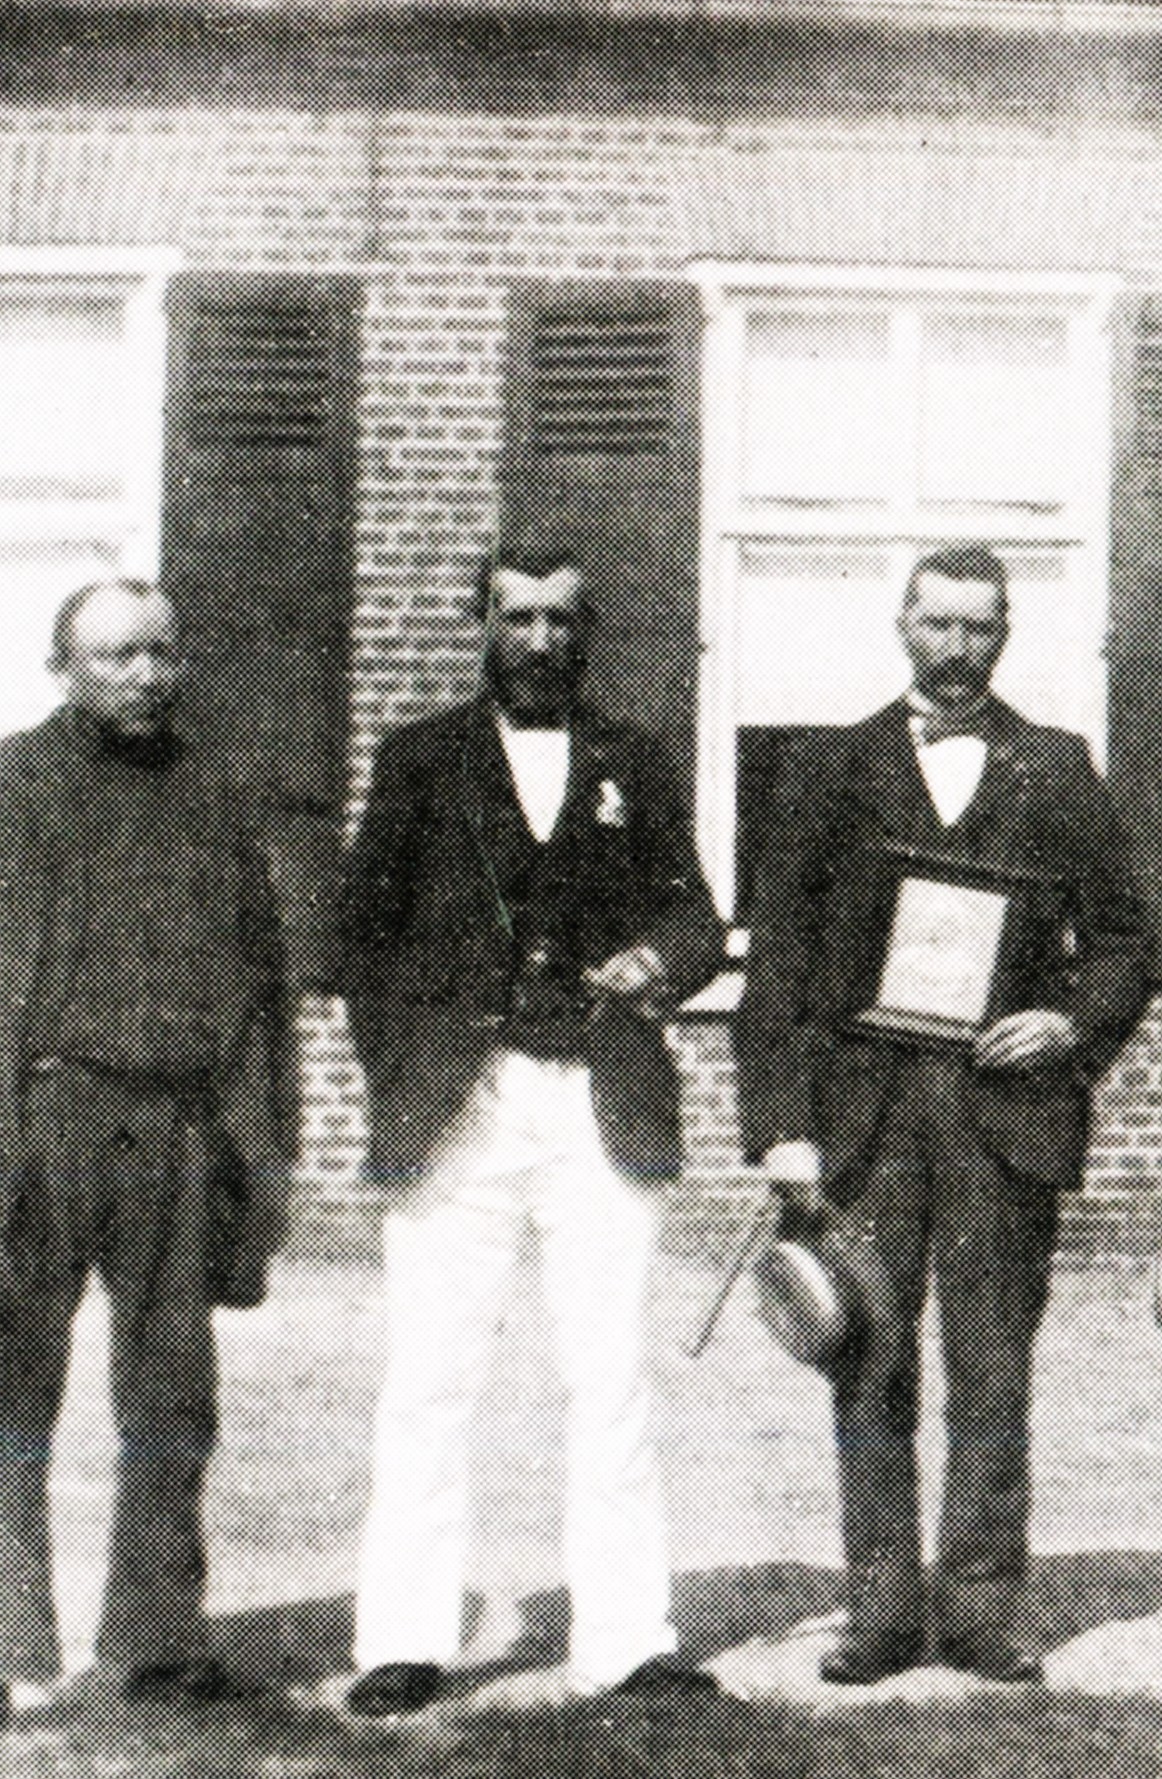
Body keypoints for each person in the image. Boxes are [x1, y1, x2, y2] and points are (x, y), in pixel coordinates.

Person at [0, 580, 293, 1737]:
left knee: (173, 1394)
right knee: (12, 1388)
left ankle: (160, 1641)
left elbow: (266, 985)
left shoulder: (217, 793)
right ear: (60, 666)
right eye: (114, 655)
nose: (144, 675)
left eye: (160, 652)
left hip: (177, 1129)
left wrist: (264, 1154)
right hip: (32, 1128)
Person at [735, 545, 1151, 1686]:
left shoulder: (1055, 767)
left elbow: (1124, 939)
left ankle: (980, 1608)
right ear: (901, 625)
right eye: (938, 623)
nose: (958, 647)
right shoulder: (829, 766)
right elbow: (776, 964)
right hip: (864, 1115)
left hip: (1000, 1115)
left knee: (993, 1365)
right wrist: (782, 1126)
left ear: (1006, 633)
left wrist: (1068, 1022)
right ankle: (879, 1609)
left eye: (980, 626)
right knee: (867, 1357)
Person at [337, 548, 727, 1716]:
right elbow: (361, 935)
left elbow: (696, 914)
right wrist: (407, 1072)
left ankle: (625, 1638)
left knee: (608, 1375)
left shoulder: (634, 757)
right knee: (429, 1375)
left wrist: (658, 957)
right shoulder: (420, 759)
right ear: (484, 625)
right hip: (461, 1103)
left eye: (561, 618)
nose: (541, 640)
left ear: (585, 628)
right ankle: (404, 1638)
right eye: (518, 617)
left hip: (599, 1095)